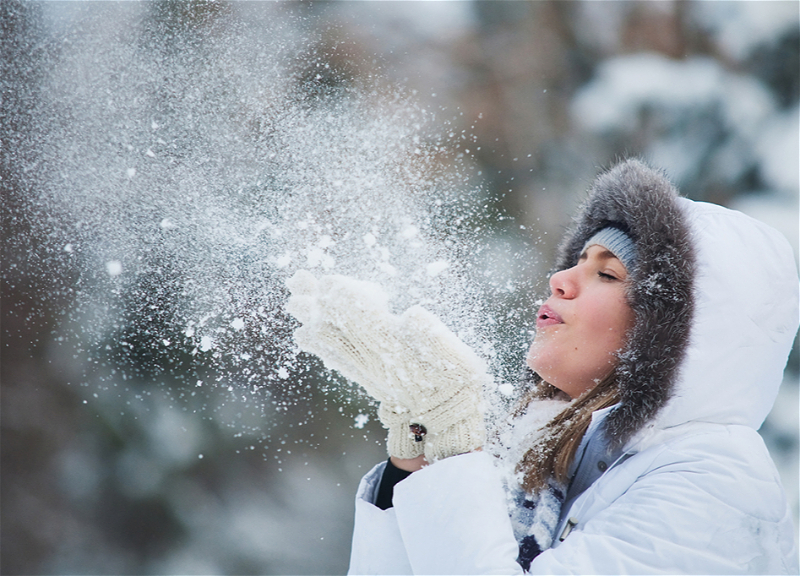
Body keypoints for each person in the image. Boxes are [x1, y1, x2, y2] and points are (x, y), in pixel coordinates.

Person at [286, 158, 799, 574]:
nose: (560, 278)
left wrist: (456, 447)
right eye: (577, 260)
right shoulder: (557, 455)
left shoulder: (713, 484)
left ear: (669, 332)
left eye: (607, 274)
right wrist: (418, 453)